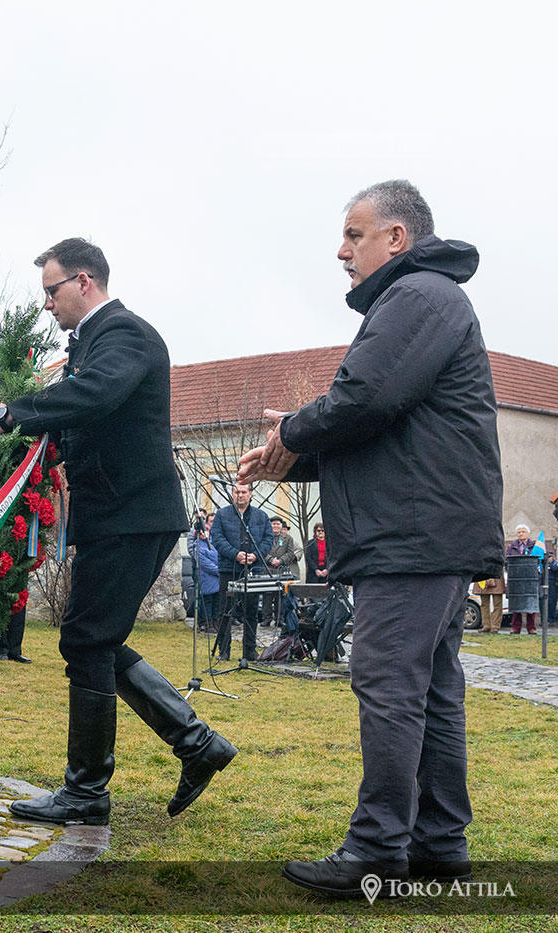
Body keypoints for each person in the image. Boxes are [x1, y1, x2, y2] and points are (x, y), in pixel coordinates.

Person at [240, 179, 502, 894]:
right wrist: (292, 456)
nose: (342, 251)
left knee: (388, 681)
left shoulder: (419, 296)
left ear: (397, 237)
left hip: (413, 536)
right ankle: (438, 843)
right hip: (426, 531)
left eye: (354, 235)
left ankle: (379, 848)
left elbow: (364, 399)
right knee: (432, 688)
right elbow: (384, 427)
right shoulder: (425, 300)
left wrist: (295, 431)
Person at [0, 237, 235, 825]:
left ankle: (88, 791)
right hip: (117, 515)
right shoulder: (94, 341)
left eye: (52, 290)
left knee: (87, 640)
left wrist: (12, 414)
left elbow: (94, 395)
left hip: (131, 516)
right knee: (94, 639)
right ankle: (195, 744)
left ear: (84, 281)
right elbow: (87, 421)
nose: (46, 304)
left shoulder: (125, 334)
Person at [210, 482, 272, 660]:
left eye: (244, 492)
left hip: (253, 569)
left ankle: (250, 651)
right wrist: (235, 554)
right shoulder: (222, 514)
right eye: (237, 492)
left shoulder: (261, 516)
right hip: (229, 568)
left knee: (251, 611)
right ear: (232, 493)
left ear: (250, 494)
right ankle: (224, 651)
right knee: (225, 611)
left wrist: (256, 555)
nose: (240, 495)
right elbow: (217, 538)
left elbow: (268, 539)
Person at [505, 524, 538, 635]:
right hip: (516, 579)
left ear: (528, 533)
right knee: (516, 604)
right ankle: (516, 627)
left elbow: (539, 560)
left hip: (530, 579)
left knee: (530, 604)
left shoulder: (534, 546)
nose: (521, 534)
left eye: (523, 532)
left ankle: (531, 628)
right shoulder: (512, 547)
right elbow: (507, 561)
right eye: (519, 532)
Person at [194, 515, 220, 628]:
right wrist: (219, 570)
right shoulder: (198, 547)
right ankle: (207, 623)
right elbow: (205, 564)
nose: (204, 534)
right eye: (201, 532)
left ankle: (216, 622)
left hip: (217, 579)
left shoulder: (213, 544)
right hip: (207, 579)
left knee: (216, 603)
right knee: (207, 603)